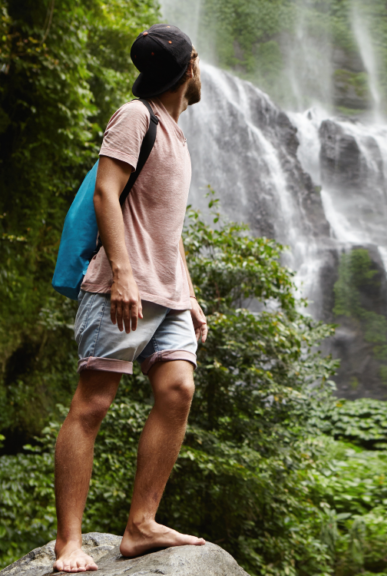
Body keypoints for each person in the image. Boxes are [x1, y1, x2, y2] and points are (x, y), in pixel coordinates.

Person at [53, 24, 208, 573]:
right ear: (189, 68)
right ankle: (68, 543)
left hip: (167, 295)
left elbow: (168, 228)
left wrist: (188, 296)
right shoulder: (135, 116)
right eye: (197, 61)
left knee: (178, 388)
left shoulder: (176, 133)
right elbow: (105, 192)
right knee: (92, 405)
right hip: (123, 290)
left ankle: (141, 526)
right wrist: (122, 274)